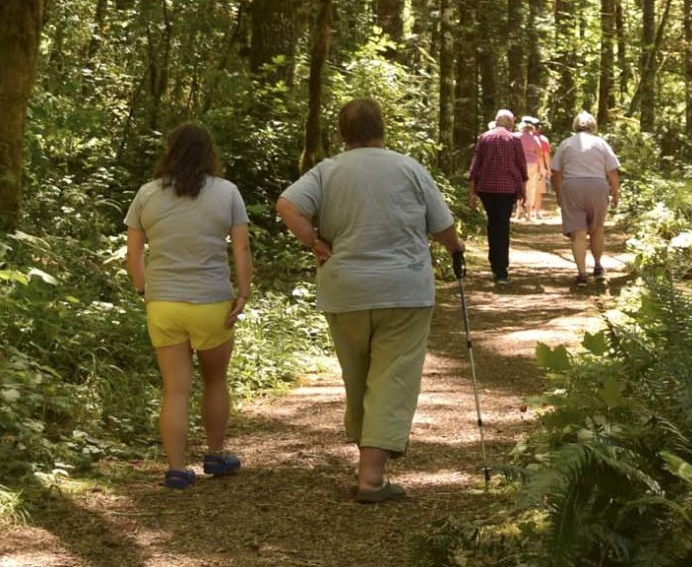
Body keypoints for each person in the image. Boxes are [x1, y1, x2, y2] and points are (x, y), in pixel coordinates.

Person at [276, 97, 465, 504]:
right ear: (382, 128)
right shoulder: (408, 167)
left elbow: (287, 204)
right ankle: (372, 477)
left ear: (342, 134)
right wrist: (455, 247)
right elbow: (442, 226)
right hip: (404, 289)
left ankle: (369, 458)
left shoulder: (327, 171)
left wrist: (314, 242)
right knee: (392, 379)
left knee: (358, 378)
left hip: (345, 290)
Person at [124, 123, 253, 490]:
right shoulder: (227, 193)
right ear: (209, 154)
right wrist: (242, 292)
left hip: (163, 302)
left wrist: (142, 290)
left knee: (175, 389)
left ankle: (177, 468)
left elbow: (134, 252)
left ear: (170, 151)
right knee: (215, 380)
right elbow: (240, 248)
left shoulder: (148, 194)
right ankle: (215, 454)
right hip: (212, 301)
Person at [551, 111, 621, 285]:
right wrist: (616, 193)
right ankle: (597, 266)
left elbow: (555, 171)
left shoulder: (566, 144)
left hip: (572, 187)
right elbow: (612, 171)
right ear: (593, 126)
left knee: (578, 233)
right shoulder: (601, 143)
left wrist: (559, 193)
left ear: (575, 126)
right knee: (597, 229)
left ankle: (582, 274)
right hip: (597, 187)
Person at [467, 110, 528, 283]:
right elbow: (521, 166)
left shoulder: (484, 137)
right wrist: (523, 190)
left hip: (486, 189)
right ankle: (501, 269)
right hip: (507, 190)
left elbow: (475, 165)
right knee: (502, 225)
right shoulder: (514, 139)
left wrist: (471, 192)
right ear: (509, 122)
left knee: (493, 224)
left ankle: (495, 264)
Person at [519, 118, 553, 223]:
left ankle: (519, 211)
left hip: (520, 165)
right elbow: (541, 154)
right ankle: (531, 213)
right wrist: (545, 168)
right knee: (532, 189)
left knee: (520, 188)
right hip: (533, 166)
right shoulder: (538, 139)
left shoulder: (516, 137)